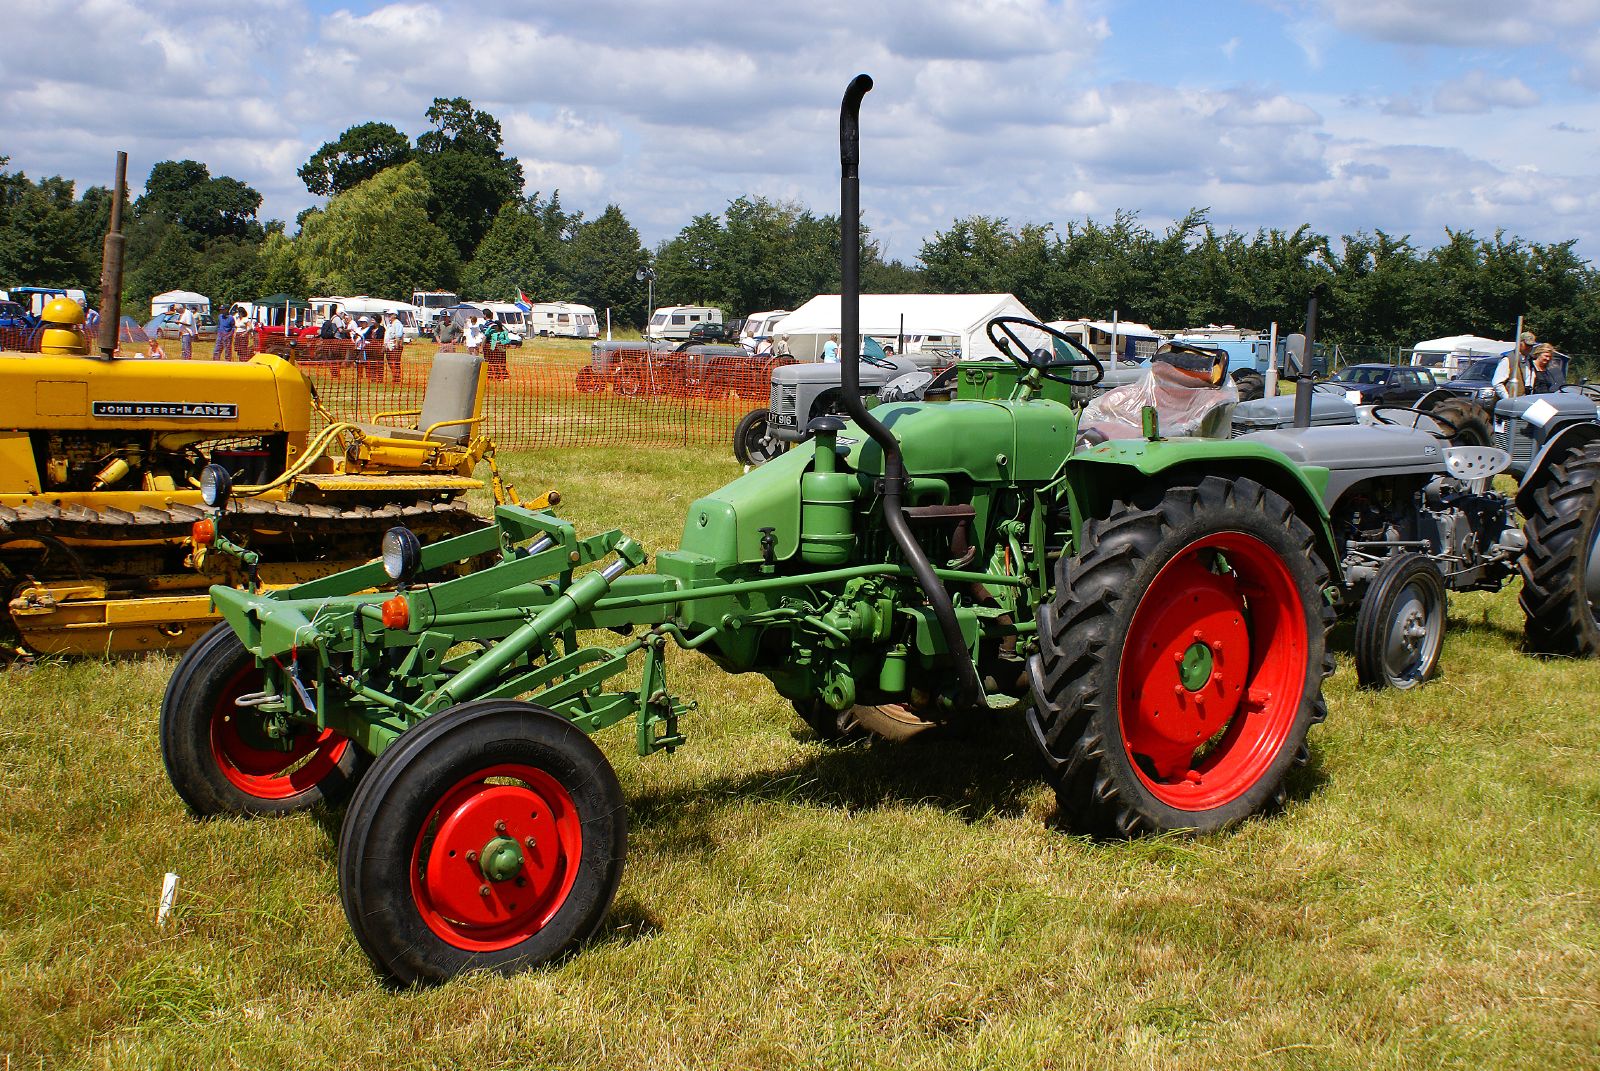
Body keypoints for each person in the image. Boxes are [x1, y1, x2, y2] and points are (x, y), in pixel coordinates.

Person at [1491, 331, 1536, 399]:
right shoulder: (1508, 359)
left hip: (1526, 400)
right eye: (1527, 345)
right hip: (1511, 403)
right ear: (1519, 343)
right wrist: (1508, 399)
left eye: (1531, 346)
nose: (1529, 348)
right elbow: (1497, 383)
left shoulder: (1531, 360)